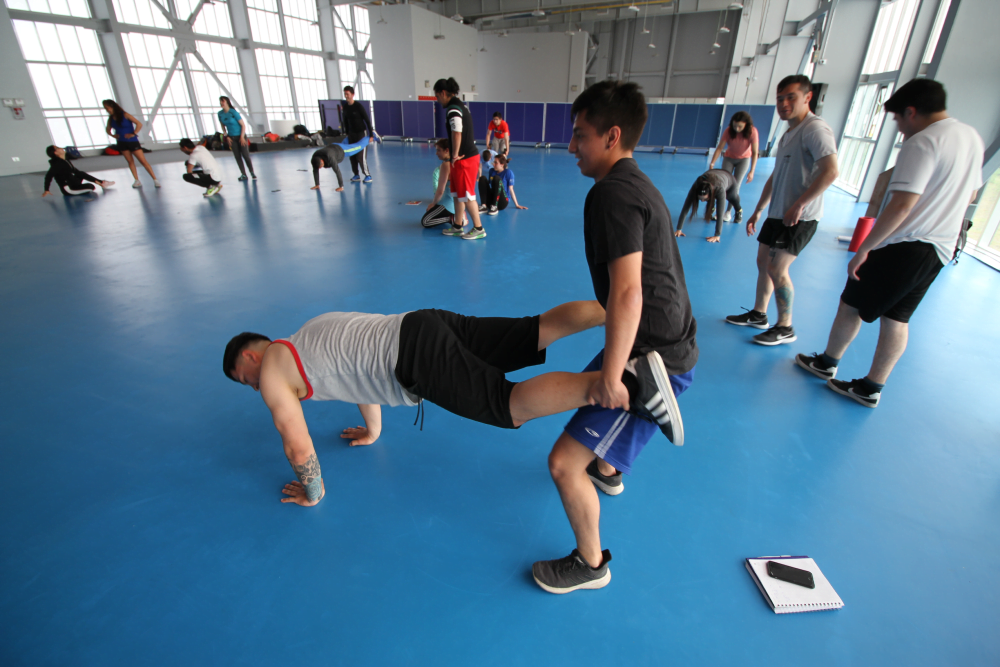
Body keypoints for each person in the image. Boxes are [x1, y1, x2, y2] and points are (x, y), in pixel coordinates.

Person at [223, 301, 680, 507]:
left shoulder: (273, 373)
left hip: (416, 357)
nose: (254, 387)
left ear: (249, 357)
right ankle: (628, 311)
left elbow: (296, 444)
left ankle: (624, 381)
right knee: (532, 331)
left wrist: (313, 491)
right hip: (421, 323)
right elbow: (354, 372)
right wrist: (374, 430)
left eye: (245, 379)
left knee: (508, 405)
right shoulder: (309, 333)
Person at [532, 80, 699, 594]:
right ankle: (607, 468)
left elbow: (627, 292)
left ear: (612, 136)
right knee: (587, 419)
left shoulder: (612, 194)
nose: (571, 146)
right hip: (662, 340)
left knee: (563, 464)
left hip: (651, 361)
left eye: (580, 135)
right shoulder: (637, 182)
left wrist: (611, 375)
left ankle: (590, 564)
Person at [793, 79, 983, 408]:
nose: (899, 128)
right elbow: (972, 194)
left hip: (903, 244)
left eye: (897, 119)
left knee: (851, 304)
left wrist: (866, 247)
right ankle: (871, 387)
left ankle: (826, 362)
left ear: (911, 112)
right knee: (898, 317)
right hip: (939, 249)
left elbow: (902, 205)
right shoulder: (970, 137)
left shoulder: (922, 141)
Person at [725, 75, 839, 345]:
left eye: (791, 97)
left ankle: (785, 327)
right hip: (777, 213)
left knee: (777, 268)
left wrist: (800, 204)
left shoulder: (815, 129)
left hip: (799, 217)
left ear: (807, 97)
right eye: (780, 99)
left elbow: (831, 171)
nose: (784, 103)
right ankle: (759, 314)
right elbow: (776, 176)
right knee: (763, 262)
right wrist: (758, 210)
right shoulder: (788, 134)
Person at [434, 78, 487, 240]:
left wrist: (455, 154)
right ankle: (457, 226)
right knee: (457, 193)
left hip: (465, 158)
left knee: (467, 195)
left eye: (437, 96)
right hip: (460, 159)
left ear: (443, 93)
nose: (438, 100)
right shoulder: (458, 106)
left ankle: (478, 228)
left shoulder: (453, 109)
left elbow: (457, 132)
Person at [709, 111, 758, 220]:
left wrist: (752, 171)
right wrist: (712, 163)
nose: (737, 128)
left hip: (744, 160)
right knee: (722, 184)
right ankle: (719, 211)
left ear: (746, 125)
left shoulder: (752, 132)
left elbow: (755, 152)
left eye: (740, 126)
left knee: (735, 186)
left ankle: (728, 212)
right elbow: (720, 147)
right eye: (735, 126)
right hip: (729, 158)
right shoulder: (728, 130)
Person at [103, 99, 160, 189]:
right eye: (105, 108)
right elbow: (107, 129)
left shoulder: (125, 115)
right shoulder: (110, 119)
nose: (107, 110)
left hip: (132, 142)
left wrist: (134, 133)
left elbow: (139, 124)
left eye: (107, 108)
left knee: (143, 161)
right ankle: (136, 180)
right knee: (130, 161)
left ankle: (155, 179)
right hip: (121, 142)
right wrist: (113, 135)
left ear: (112, 106)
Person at [674, 169, 742, 242]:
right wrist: (679, 229)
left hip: (729, 180)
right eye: (700, 199)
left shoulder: (719, 188)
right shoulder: (696, 186)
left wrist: (717, 235)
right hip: (714, 174)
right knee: (709, 201)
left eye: (704, 199)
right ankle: (712, 208)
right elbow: (685, 208)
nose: (702, 201)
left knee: (732, 198)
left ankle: (739, 211)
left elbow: (720, 214)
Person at [341, 86, 379, 184]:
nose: (346, 96)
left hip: (361, 134)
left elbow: (367, 120)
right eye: (345, 94)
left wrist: (370, 135)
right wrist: (346, 133)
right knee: (352, 155)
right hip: (351, 134)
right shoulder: (345, 107)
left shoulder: (358, 106)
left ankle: (368, 175)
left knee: (360, 156)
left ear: (352, 95)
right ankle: (356, 175)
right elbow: (345, 121)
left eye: (348, 94)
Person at [42, 146, 114, 197]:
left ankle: (102, 183)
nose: (61, 148)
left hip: (73, 183)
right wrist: (46, 189)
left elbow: (76, 172)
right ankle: (101, 183)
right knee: (91, 187)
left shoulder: (65, 161)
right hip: (69, 189)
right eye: (58, 148)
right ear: (55, 152)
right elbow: (48, 176)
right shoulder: (56, 164)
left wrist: (97, 181)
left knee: (80, 173)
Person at [218, 96, 256, 181]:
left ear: (227, 102)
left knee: (245, 155)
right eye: (220, 101)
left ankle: (252, 172)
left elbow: (243, 125)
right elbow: (222, 126)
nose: (221, 103)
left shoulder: (233, 112)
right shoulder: (220, 114)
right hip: (231, 138)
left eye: (223, 101)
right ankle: (243, 174)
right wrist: (226, 136)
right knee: (237, 156)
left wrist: (242, 137)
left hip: (240, 136)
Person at [422, 138, 455, 227]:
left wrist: (433, 203)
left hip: (447, 204)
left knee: (425, 221)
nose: (436, 153)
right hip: (455, 203)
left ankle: (452, 218)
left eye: (439, 150)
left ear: (447, 150)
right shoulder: (455, 162)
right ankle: (456, 216)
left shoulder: (445, 165)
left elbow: (440, 190)